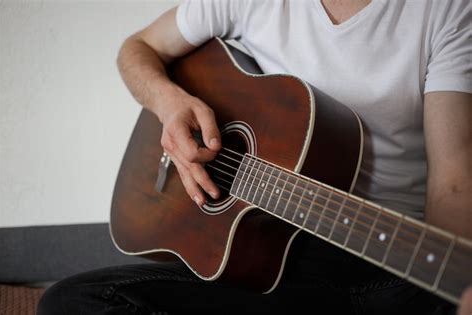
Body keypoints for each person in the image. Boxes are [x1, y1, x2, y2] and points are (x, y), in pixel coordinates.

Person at [38, 0, 472, 314]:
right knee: (70, 301)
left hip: (382, 253)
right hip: (263, 255)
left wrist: (453, 282)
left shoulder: (447, 11)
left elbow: (453, 182)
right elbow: (138, 48)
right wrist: (169, 105)